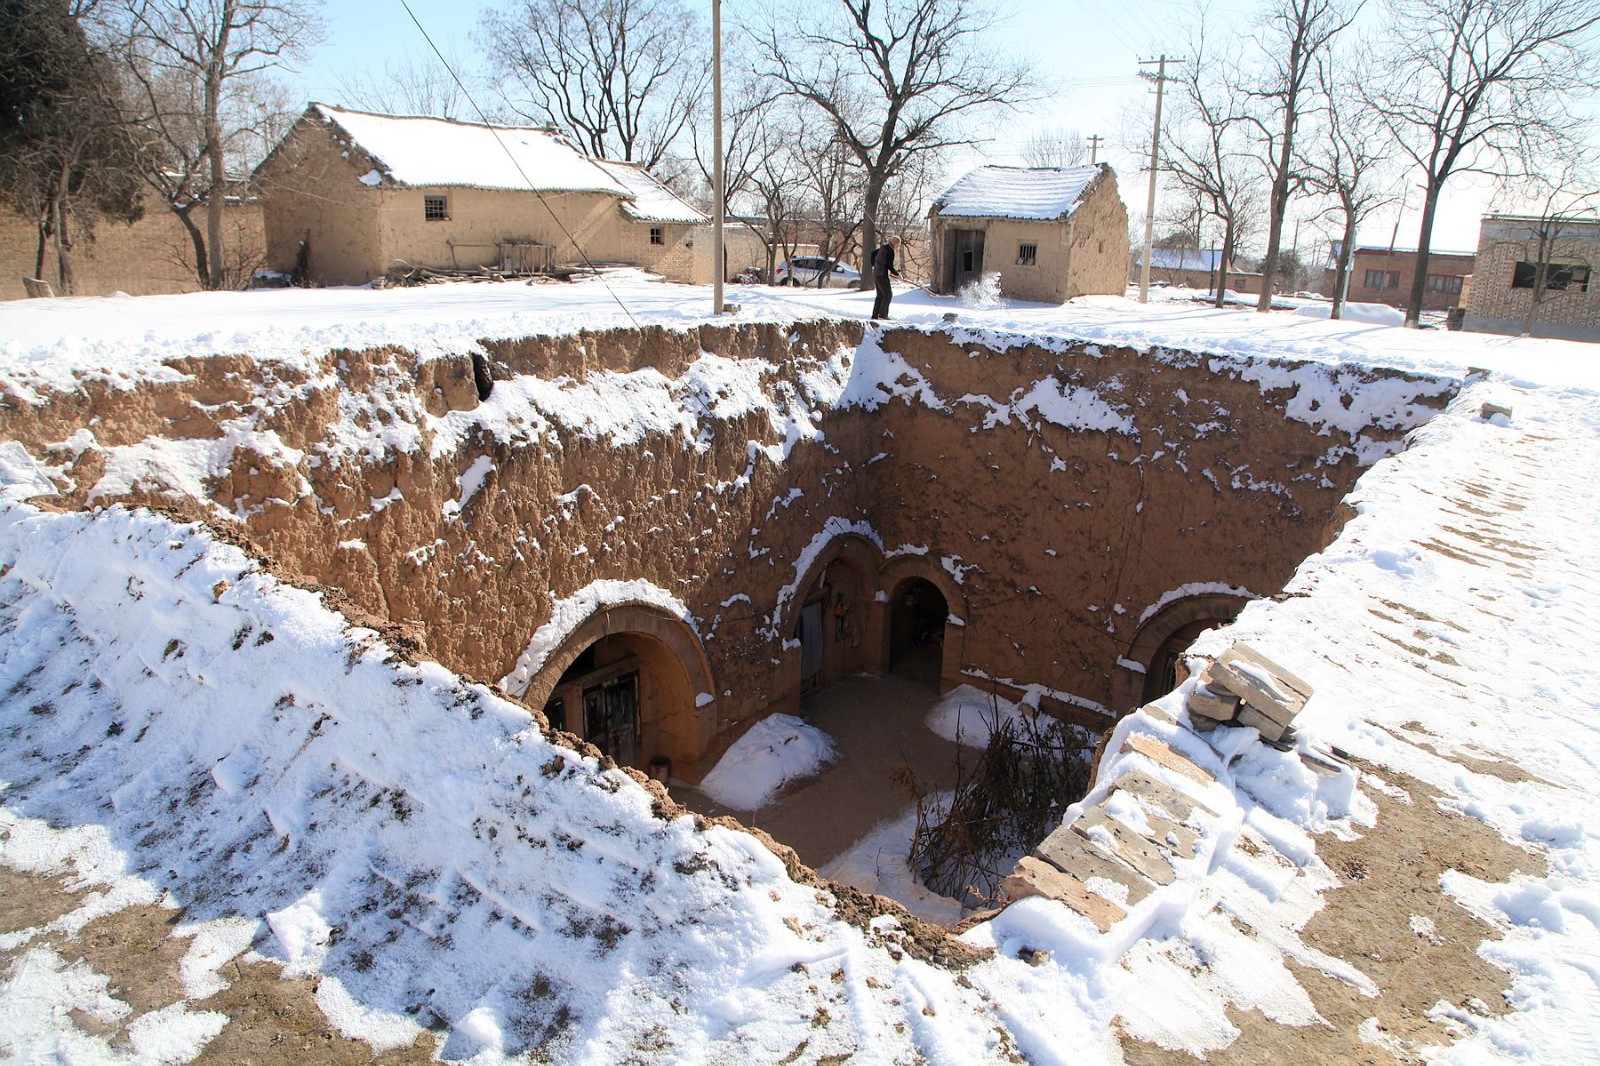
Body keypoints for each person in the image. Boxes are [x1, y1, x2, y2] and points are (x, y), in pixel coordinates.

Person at [870, 235, 902, 320]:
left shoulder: (883, 247)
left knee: (880, 295)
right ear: (895, 243)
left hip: (876, 273)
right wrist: (897, 274)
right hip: (881, 275)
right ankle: (882, 315)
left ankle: (875, 315)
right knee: (888, 294)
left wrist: (874, 265)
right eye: (898, 244)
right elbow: (889, 266)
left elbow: (873, 254)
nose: (898, 246)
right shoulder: (890, 250)